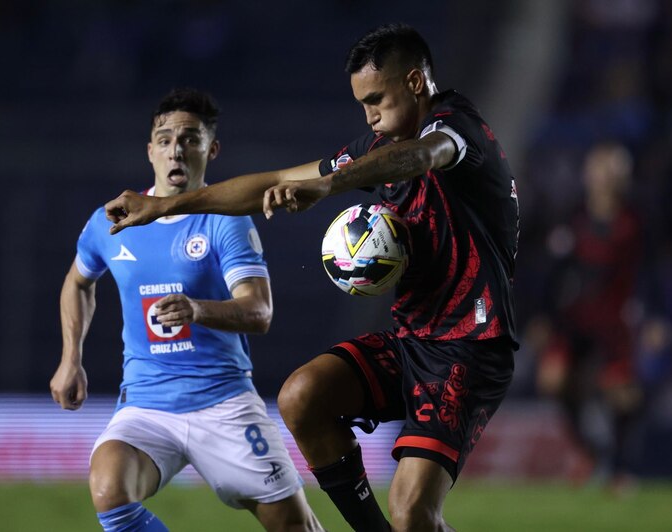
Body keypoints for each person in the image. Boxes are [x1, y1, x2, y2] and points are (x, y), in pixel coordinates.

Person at [106, 24, 519, 532]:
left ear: (415, 82)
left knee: (413, 511)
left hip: (469, 348)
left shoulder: (457, 129)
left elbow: (422, 156)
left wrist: (328, 185)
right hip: (412, 342)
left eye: (376, 100)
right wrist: (165, 205)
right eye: (362, 105)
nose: (369, 116)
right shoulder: (378, 144)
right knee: (302, 396)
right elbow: (275, 182)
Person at [50, 88, 322, 532]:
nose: (176, 148)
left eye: (190, 139)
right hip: (146, 406)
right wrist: (70, 359)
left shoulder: (226, 220)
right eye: (165, 138)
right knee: (108, 489)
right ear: (150, 150)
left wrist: (198, 309)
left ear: (211, 150)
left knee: (295, 526)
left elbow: (260, 312)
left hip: (224, 403)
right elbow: (78, 282)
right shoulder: (112, 220)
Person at [534, 141, 643, 489]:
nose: (604, 177)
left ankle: (619, 468)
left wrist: (654, 315)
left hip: (614, 319)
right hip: (575, 319)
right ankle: (590, 451)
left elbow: (649, 271)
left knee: (622, 392)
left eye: (611, 169)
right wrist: (543, 317)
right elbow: (551, 272)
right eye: (598, 169)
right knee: (553, 380)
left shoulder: (636, 221)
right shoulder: (572, 216)